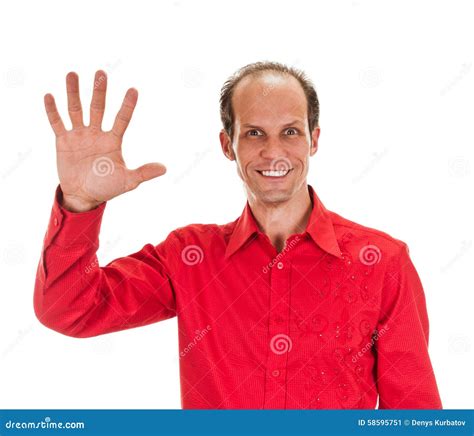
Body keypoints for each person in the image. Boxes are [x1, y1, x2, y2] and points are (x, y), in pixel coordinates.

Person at [34, 61, 442, 409]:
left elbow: (415, 418)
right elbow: (70, 309)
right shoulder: (189, 256)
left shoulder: (382, 261)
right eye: (254, 133)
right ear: (227, 145)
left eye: (290, 132)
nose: (273, 151)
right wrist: (80, 202)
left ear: (314, 139)